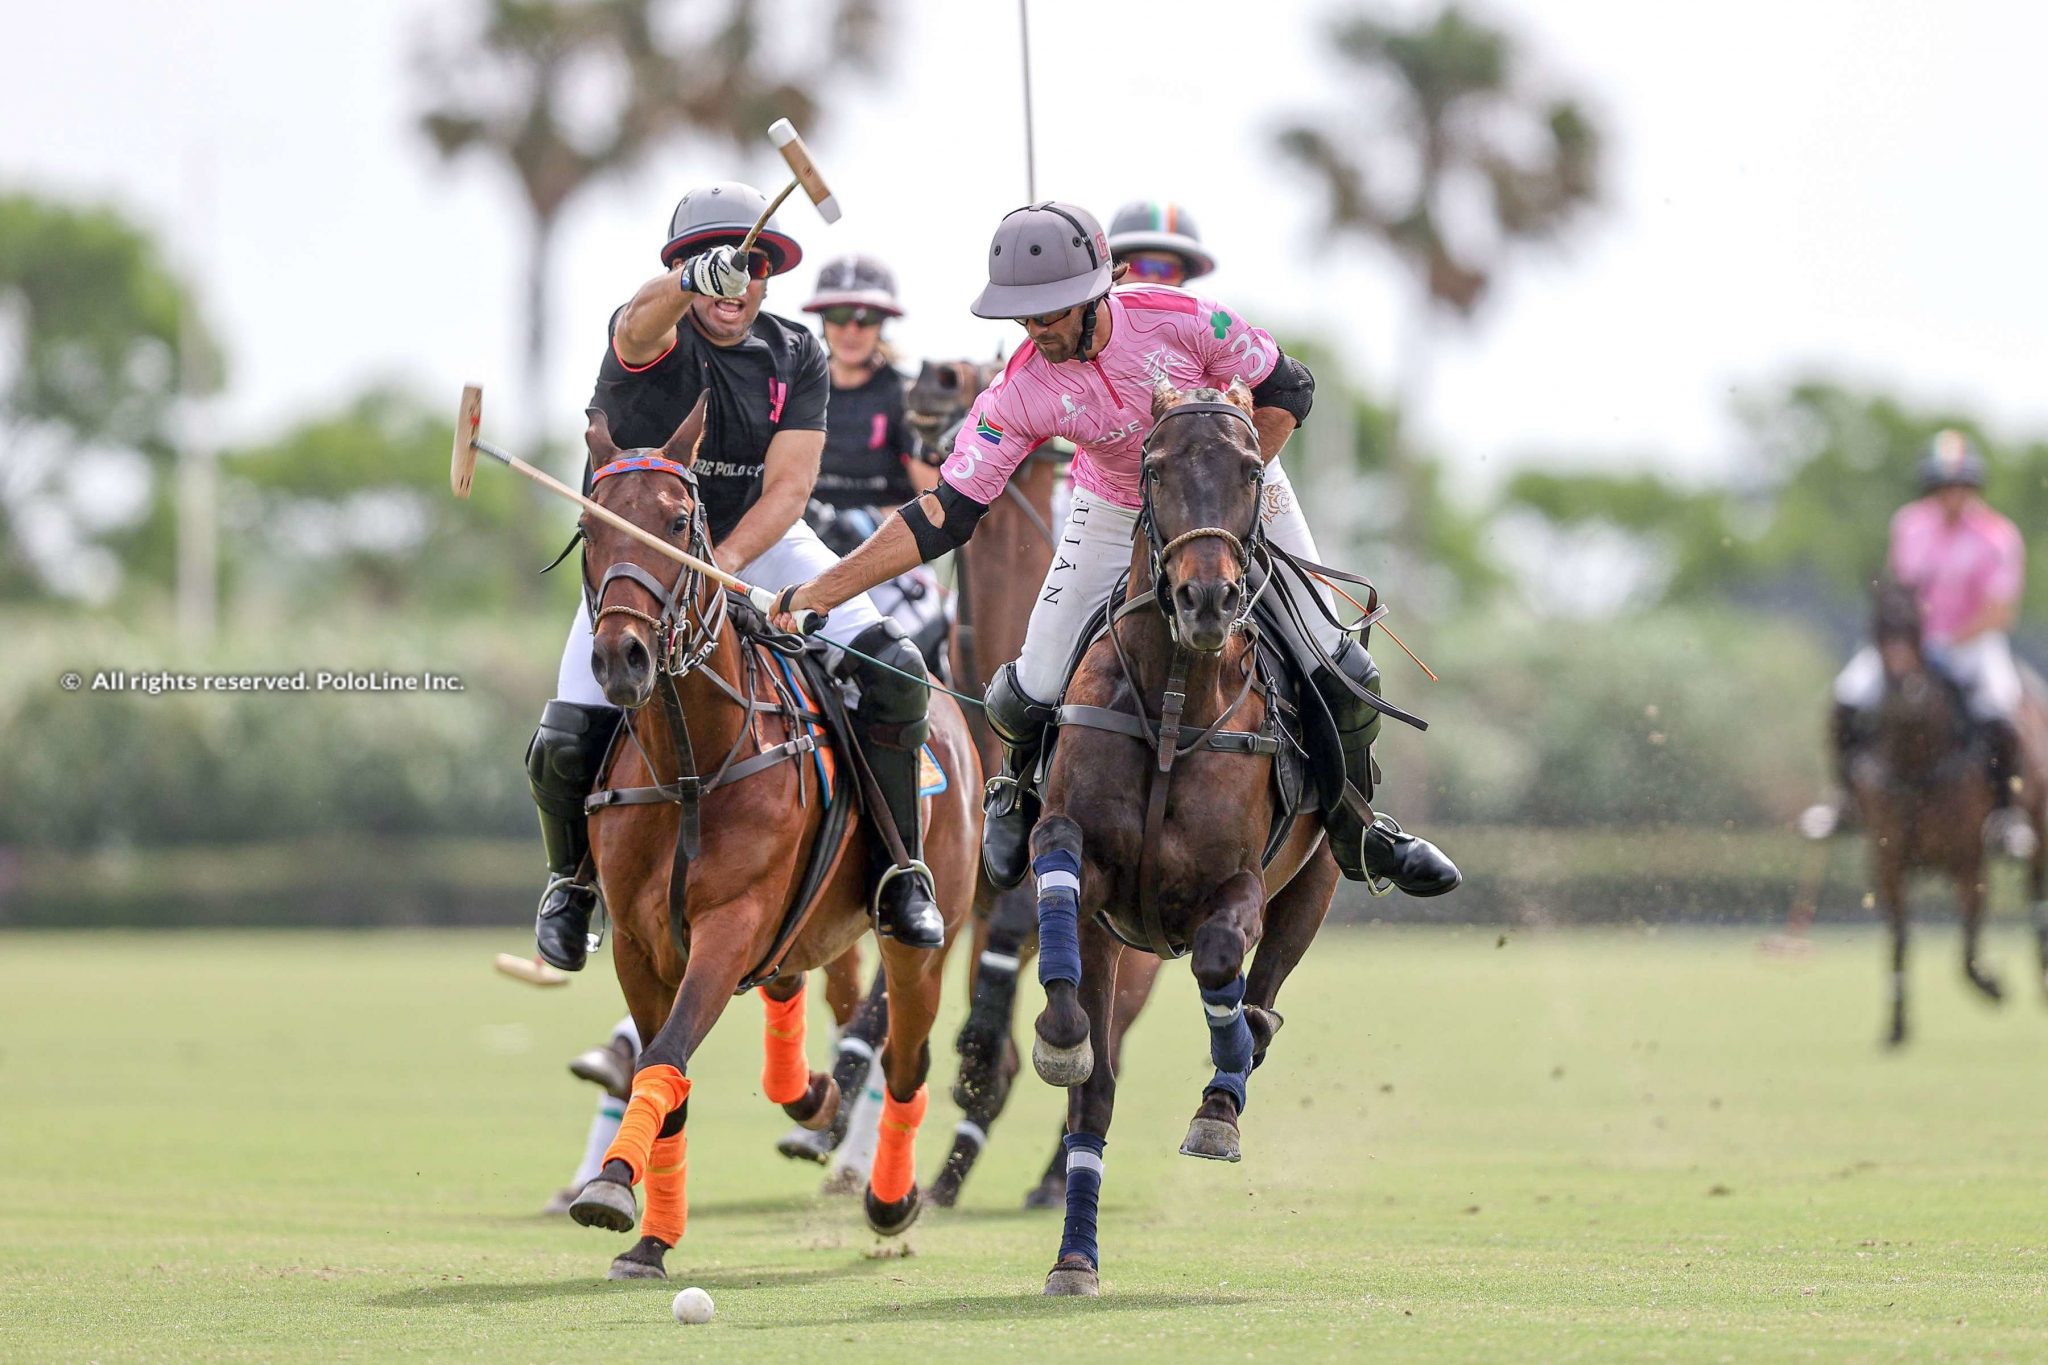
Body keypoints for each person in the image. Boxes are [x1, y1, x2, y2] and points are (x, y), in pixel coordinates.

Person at [771, 201, 1459, 896]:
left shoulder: (1184, 319)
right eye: (1025, 317)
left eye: (1052, 313)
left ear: (1100, 291)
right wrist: (823, 590)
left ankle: (1360, 825)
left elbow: (1289, 387)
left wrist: (1228, 492)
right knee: (1029, 683)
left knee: (1342, 662)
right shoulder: (1023, 389)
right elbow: (946, 513)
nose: (1037, 331)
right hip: (1112, 502)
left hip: (1229, 489)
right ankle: (1015, 793)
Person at [523, 179, 946, 973]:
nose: (738, 281)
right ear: (684, 265)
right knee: (564, 734)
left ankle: (899, 871)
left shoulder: (798, 353)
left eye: (753, 265)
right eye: (718, 264)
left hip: (755, 541)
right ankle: (569, 886)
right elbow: (637, 324)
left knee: (897, 671)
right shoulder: (651, 337)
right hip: (639, 551)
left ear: (770, 275)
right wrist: (690, 282)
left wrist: (722, 567)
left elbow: (789, 489)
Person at [1805, 429, 2034, 858]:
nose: (1952, 495)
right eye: (1944, 486)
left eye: (1960, 486)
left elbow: (2000, 610)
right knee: (1846, 696)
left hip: (1973, 644)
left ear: (1973, 487)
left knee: (2003, 709)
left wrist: (1949, 641)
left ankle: (2007, 816)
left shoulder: (1998, 536)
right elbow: (1902, 591)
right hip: (1912, 646)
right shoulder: (1909, 525)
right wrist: (1908, 641)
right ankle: (1843, 799)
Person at [799, 255, 947, 665]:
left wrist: (868, 521)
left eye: (864, 319)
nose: (851, 330)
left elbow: (935, 500)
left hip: (886, 564)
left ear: (881, 324)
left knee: (910, 659)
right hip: (804, 555)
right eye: (840, 315)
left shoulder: (907, 395)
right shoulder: (798, 392)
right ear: (823, 320)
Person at [1106, 199, 1217, 289]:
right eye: (1140, 267)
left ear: (1183, 277)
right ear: (1116, 272)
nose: (1153, 279)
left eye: (1169, 271)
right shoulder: (1091, 315)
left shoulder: (1208, 316)